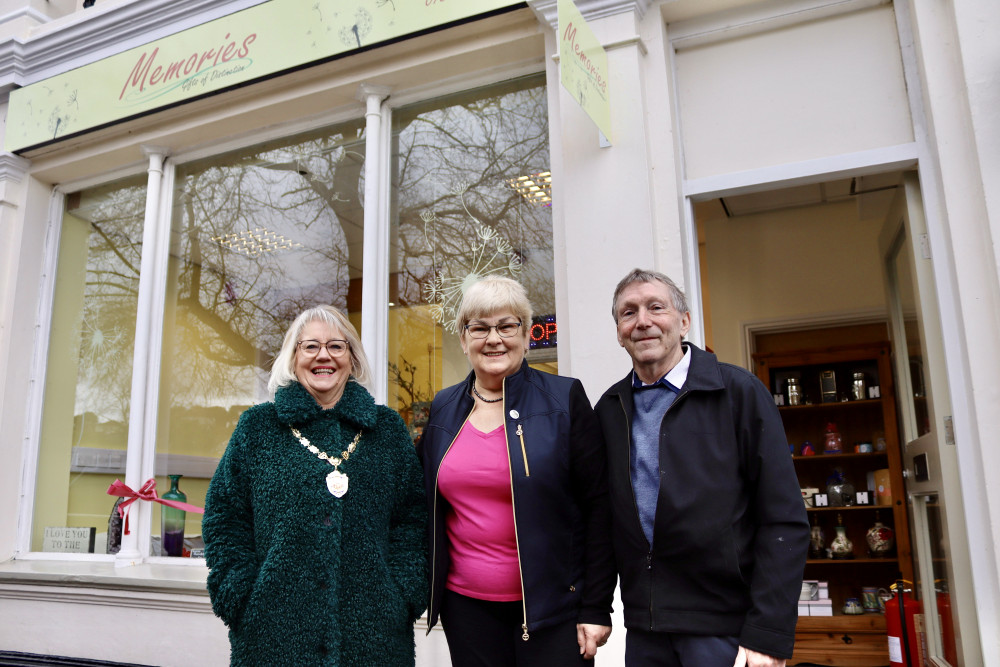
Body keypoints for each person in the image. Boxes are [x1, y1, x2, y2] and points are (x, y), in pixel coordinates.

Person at [594, 269, 809, 667]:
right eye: (628, 312)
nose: (642, 321)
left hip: (723, 628)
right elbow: (603, 519)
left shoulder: (738, 393)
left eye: (656, 307)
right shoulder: (610, 408)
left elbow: (784, 520)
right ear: (620, 331)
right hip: (646, 628)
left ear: (684, 321)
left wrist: (768, 632)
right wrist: (594, 605)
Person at [203, 305, 427, 666]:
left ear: (352, 360)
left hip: (375, 635)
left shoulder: (386, 431)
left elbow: (413, 519)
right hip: (272, 634)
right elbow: (225, 517)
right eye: (310, 347)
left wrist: (403, 595)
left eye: (337, 346)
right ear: (294, 358)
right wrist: (240, 596)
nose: (324, 356)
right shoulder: (257, 429)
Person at [418, 276, 616, 666]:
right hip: (467, 609)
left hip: (555, 610)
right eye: (479, 327)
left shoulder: (565, 399)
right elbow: (419, 500)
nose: (494, 339)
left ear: (526, 335)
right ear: (463, 338)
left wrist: (596, 606)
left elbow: (599, 507)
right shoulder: (443, 408)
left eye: (507, 326)